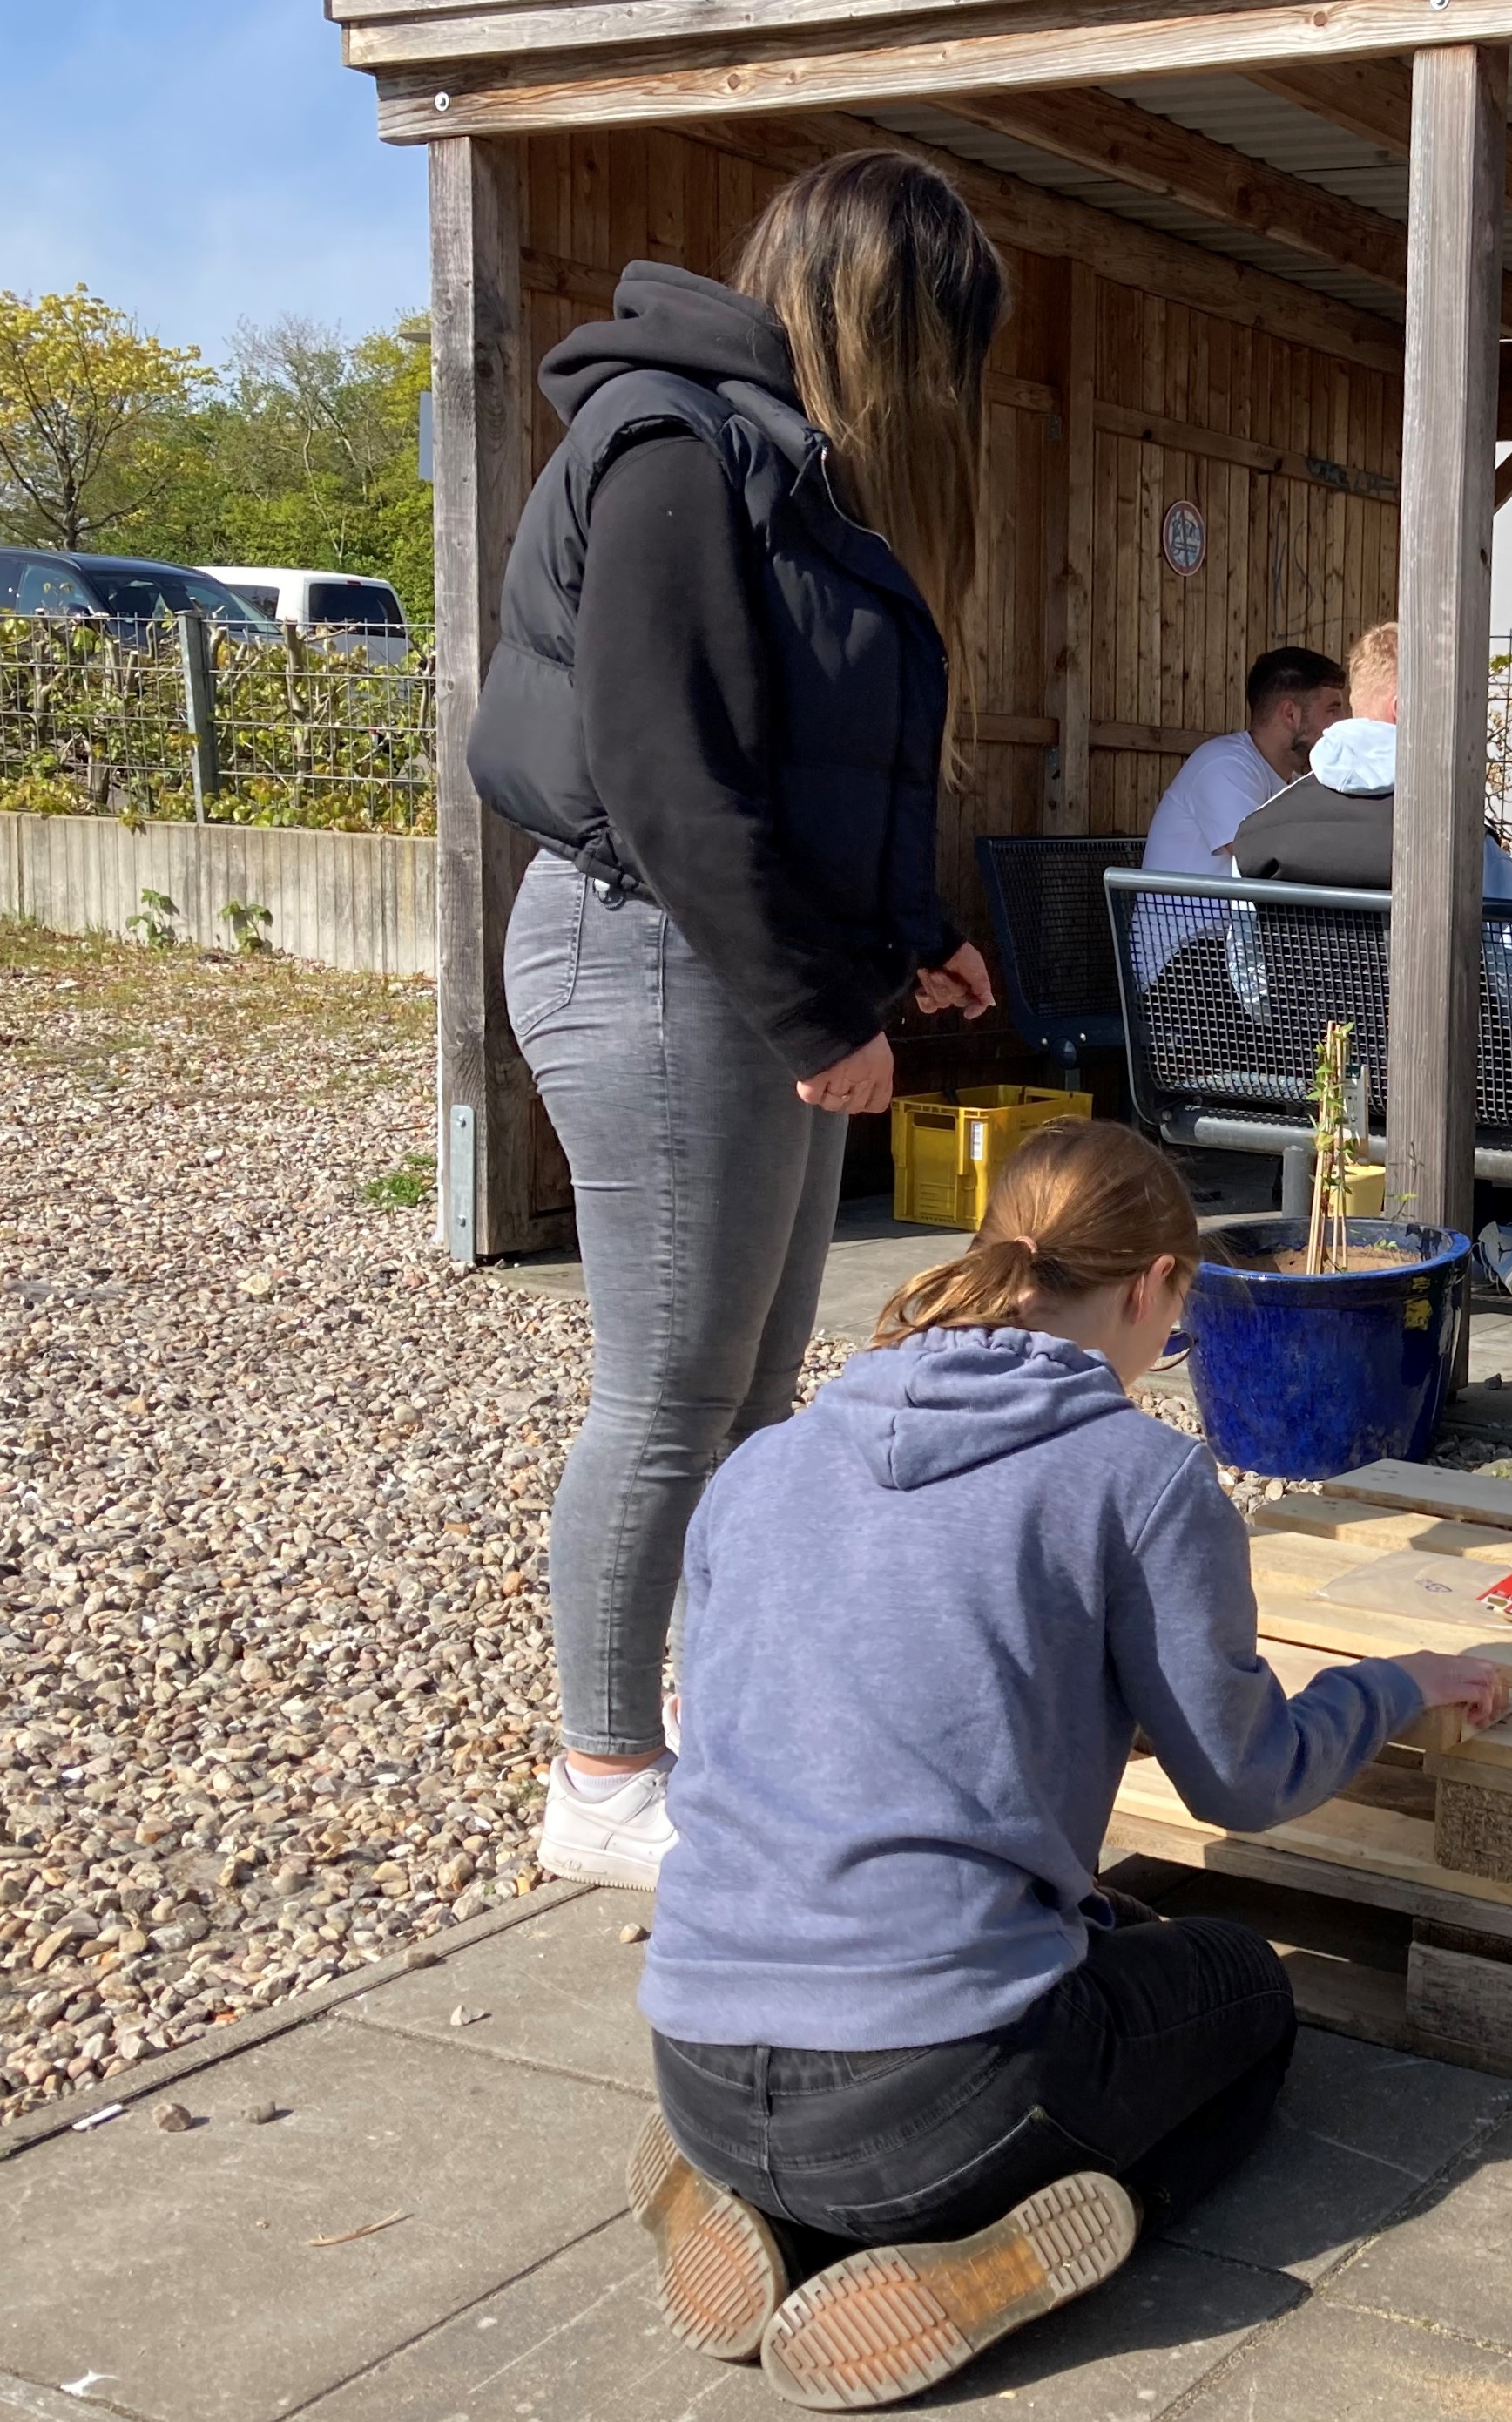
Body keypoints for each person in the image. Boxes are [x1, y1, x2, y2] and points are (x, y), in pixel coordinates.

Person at [628, 1119, 1508, 2408]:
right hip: (935, 2092)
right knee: (1240, 1989)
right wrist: (1393, 1688)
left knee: (1102, 1932)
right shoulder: (1137, 1478)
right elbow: (1243, 1784)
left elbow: (791, 1719)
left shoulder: (764, 1465)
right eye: (1178, 1311)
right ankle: (965, 2261)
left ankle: (765, 2205)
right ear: (1154, 1284)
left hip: (694, 2045)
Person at [468, 152, 1008, 1892]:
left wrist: (913, 943)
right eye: (943, 351)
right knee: (667, 1395)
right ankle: (603, 1773)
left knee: (755, 1394)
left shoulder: (782, 473)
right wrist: (810, 1009)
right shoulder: (670, 453)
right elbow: (665, 770)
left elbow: (806, 768)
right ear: (880, 319)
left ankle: (737, 1724)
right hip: (646, 953)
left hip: (736, 961)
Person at [1229, 619, 1512, 1306]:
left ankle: (1484, 1233)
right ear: (1407, 709)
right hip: (1464, 1080)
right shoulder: (1458, 834)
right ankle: (1502, 1231)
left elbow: (1252, 989)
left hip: (1324, 1075)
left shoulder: (1262, 828)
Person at [1128, 644, 1347, 986]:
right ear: (1290, 714)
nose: (1342, 724)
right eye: (1333, 710)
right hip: (1184, 969)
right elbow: (1259, 863)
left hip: (1234, 958)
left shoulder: (1286, 780)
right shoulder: (1225, 765)